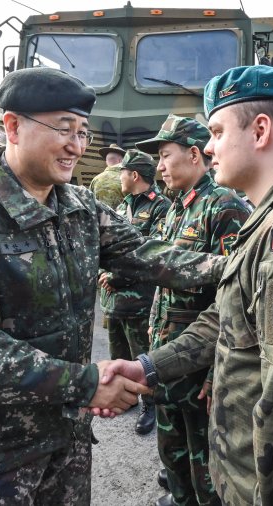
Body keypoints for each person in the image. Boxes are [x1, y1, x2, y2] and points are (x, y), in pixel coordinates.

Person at [0, 67, 226, 505]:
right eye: (64, 130)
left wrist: (235, 266)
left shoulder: (79, 207)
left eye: (82, 132)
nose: (77, 146)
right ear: (13, 126)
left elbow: (149, 254)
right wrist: (84, 383)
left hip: (69, 435)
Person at [99, 65, 273, 505]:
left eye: (216, 131)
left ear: (260, 130)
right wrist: (149, 367)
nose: (208, 147)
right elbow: (225, 319)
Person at [135, 113, 251, 506]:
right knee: (173, 451)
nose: (159, 166)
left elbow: (238, 299)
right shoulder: (176, 207)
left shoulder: (225, 207)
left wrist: (220, 369)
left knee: (209, 465)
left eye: (165, 156)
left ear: (194, 154)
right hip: (169, 359)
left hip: (201, 366)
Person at [98, 149, 171, 435]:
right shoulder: (123, 205)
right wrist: (104, 274)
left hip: (139, 300)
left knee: (143, 356)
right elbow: (106, 247)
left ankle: (148, 403)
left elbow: (152, 254)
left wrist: (117, 278)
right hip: (114, 300)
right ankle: (125, 397)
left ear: (134, 175)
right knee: (119, 353)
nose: (120, 178)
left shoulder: (160, 207)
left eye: (123, 173)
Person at [89, 143, 126, 210]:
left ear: (106, 162)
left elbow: (89, 202)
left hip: (99, 219)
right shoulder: (127, 179)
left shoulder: (95, 179)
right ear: (121, 161)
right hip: (121, 219)